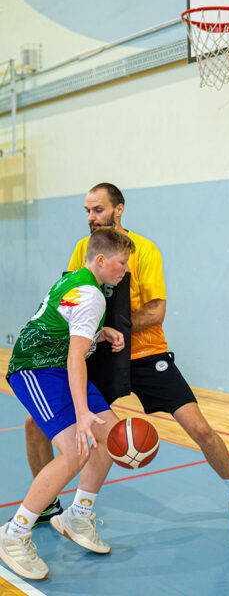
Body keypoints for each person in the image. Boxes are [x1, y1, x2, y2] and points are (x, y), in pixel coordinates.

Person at [24, 182, 229, 534]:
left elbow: (157, 311)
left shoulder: (145, 251)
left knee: (199, 428)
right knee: (33, 425)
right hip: (102, 355)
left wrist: (115, 326)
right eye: (87, 211)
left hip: (147, 353)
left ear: (119, 210)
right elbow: (75, 302)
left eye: (98, 210)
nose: (91, 217)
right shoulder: (82, 249)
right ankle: (48, 507)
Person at [0, 227, 135, 580]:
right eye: (122, 263)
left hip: (56, 363)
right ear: (102, 260)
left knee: (111, 435)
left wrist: (100, 332)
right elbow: (77, 357)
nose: (125, 270)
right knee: (78, 450)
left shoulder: (78, 279)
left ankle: (78, 514)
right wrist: (83, 413)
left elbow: (65, 319)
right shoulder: (93, 296)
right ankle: (14, 535)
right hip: (38, 368)